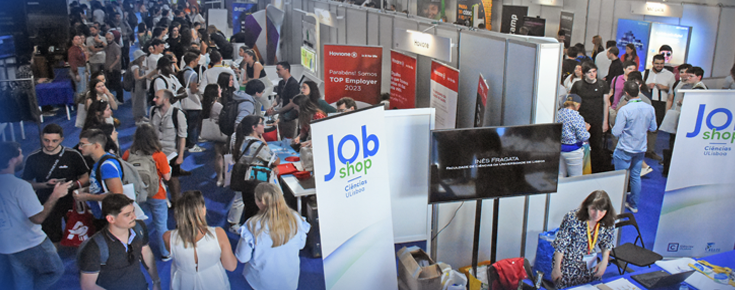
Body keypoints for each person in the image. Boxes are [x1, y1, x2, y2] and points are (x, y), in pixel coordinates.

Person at [0, 142, 69, 290]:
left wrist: (44, 185)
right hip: (31, 242)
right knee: (55, 271)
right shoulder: (20, 187)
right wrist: (55, 195)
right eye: (20, 153)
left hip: (6, 244)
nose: (23, 156)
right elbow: (37, 218)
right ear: (13, 159)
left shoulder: (14, 185)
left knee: (22, 278)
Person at [22, 124, 90, 248]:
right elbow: (26, 183)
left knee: (78, 233)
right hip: (47, 201)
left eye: (54, 141)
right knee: (52, 237)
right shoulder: (33, 158)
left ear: (62, 140)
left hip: (71, 200)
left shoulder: (73, 155)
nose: (50, 144)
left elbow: (85, 176)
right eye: (46, 140)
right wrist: (44, 185)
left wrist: (73, 185)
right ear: (41, 138)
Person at [77, 194, 162, 290]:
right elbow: (88, 286)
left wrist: (156, 281)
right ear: (110, 219)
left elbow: (145, 253)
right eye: (127, 215)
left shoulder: (139, 228)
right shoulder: (94, 247)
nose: (133, 216)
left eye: (133, 211)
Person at [235, 183, 309, 290]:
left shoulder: (252, 225)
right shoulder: (296, 219)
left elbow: (242, 257)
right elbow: (301, 245)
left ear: (260, 201)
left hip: (261, 282)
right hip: (289, 280)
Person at [163, 190, 237, 289]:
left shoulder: (168, 237)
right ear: (202, 210)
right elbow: (230, 266)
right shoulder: (218, 234)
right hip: (214, 282)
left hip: (184, 284)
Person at [122, 124, 172, 261]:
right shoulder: (159, 155)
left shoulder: (128, 153)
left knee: (136, 224)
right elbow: (167, 177)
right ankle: (165, 253)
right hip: (157, 194)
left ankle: (138, 253)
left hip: (136, 195)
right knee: (161, 224)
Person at [551, 190, 616, 289]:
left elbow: (607, 244)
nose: (597, 214)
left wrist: (604, 261)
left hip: (590, 264)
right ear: (587, 206)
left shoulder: (608, 221)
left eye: (602, 211)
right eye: (593, 209)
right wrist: (556, 268)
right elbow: (560, 245)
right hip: (569, 265)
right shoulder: (572, 218)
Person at [228, 115, 281, 233]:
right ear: (254, 127)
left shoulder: (240, 139)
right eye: (261, 123)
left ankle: (235, 223)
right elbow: (276, 160)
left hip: (242, 175)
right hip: (255, 180)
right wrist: (262, 140)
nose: (264, 126)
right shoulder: (258, 145)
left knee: (243, 201)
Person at [612, 81, 657, 213]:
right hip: (640, 149)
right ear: (638, 90)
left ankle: (617, 206)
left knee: (620, 177)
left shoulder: (625, 110)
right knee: (635, 176)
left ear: (626, 93)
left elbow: (616, 132)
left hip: (624, 148)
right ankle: (634, 205)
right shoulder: (650, 108)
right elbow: (654, 128)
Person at [75, 129, 124, 222]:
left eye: (83, 145)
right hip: (103, 214)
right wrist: (85, 190)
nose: (79, 148)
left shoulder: (106, 166)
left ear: (97, 145)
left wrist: (87, 196)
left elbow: (116, 195)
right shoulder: (100, 162)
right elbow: (100, 185)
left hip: (108, 216)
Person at [570, 62, 610, 173]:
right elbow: (571, 103)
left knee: (597, 147)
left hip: (597, 120)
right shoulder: (578, 85)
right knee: (579, 146)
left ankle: (596, 171)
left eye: (594, 71)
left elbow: (606, 103)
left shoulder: (603, 85)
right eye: (589, 72)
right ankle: (578, 170)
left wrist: (605, 121)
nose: (592, 74)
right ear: (584, 74)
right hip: (581, 121)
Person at [150, 89, 189, 204]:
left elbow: (182, 137)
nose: (154, 99)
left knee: (173, 179)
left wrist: (180, 156)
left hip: (171, 153)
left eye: (157, 97)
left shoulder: (178, 114)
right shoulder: (152, 111)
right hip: (155, 152)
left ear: (166, 100)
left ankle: (176, 201)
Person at [643, 54, 675, 162]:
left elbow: (673, 91)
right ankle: (640, 149)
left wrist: (664, 87)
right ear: (652, 63)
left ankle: (650, 150)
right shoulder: (645, 73)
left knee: (654, 127)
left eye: (662, 64)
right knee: (642, 126)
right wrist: (647, 86)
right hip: (646, 102)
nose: (659, 66)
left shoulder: (669, 75)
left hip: (661, 103)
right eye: (657, 63)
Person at [557, 94, 590, 177]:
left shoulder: (558, 113)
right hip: (573, 151)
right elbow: (583, 136)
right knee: (576, 178)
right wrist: (587, 129)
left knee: (560, 177)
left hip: (559, 149)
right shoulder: (577, 117)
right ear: (578, 105)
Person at [201, 84, 228, 186]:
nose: (221, 90)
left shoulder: (206, 104)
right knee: (224, 155)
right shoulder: (218, 106)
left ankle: (219, 177)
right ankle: (224, 176)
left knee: (218, 155)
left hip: (214, 134)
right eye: (219, 89)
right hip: (222, 132)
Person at [267, 61, 300, 139]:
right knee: (282, 136)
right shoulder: (281, 82)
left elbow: (292, 103)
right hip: (282, 114)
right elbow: (278, 98)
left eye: (279, 69)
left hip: (290, 116)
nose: (277, 71)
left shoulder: (293, 84)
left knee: (288, 138)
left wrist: (278, 111)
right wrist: (272, 106)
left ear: (286, 70)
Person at [180, 52, 205, 153]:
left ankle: (186, 144)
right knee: (193, 125)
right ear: (192, 62)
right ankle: (192, 145)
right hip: (192, 102)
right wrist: (199, 87)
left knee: (185, 124)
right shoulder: (193, 74)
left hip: (183, 102)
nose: (197, 63)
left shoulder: (182, 71)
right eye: (196, 61)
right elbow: (193, 89)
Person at [104, 31, 124, 103]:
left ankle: (120, 99)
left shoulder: (116, 46)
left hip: (115, 69)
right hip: (108, 69)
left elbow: (118, 58)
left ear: (113, 38)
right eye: (107, 38)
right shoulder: (107, 46)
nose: (108, 39)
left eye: (109, 38)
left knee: (117, 84)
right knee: (110, 84)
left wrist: (111, 66)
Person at [130, 49, 149, 123]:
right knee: (137, 101)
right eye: (142, 56)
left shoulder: (140, 65)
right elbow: (137, 77)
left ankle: (142, 116)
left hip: (141, 86)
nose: (144, 57)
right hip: (137, 86)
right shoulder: (135, 67)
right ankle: (137, 118)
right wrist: (145, 76)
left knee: (142, 100)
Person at [69, 34, 88, 100]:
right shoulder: (73, 50)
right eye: (76, 39)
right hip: (78, 69)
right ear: (73, 41)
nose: (78, 40)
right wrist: (76, 73)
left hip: (82, 68)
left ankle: (82, 104)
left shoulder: (79, 48)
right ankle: (80, 105)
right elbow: (72, 62)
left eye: (79, 38)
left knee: (83, 88)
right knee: (81, 89)